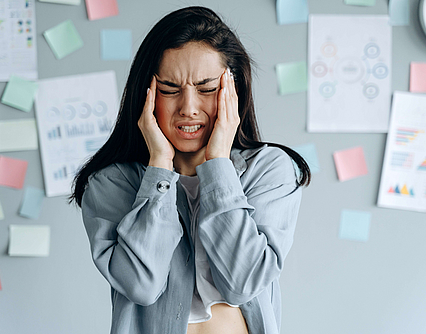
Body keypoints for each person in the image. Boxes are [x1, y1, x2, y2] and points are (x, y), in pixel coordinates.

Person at [71, 6, 310, 334]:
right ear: (147, 94)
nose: (188, 108)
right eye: (169, 89)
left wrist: (218, 167)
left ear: (232, 89)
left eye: (207, 88)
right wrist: (158, 168)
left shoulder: (270, 169)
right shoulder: (111, 183)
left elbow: (243, 283)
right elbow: (142, 284)